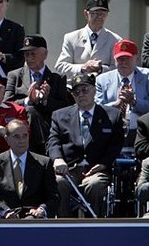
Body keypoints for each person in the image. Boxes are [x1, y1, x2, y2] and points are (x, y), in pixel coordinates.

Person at [47, 73, 124, 217]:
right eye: (76, 92)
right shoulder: (59, 115)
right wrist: (57, 159)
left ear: (94, 90)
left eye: (85, 90)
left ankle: (93, 226)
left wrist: (103, 164)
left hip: (97, 168)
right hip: (68, 169)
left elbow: (116, 144)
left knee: (94, 185)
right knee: (58, 183)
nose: (80, 94)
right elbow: (53, 140)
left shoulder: (112, 115)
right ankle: (63, 226)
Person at [0, 119, 59, 219]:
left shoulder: (44, 163)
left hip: (32, 216)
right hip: (5, 216)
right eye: (16, 137)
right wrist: (4, 212)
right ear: (7, 139)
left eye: (25, 136)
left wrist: (41, 209)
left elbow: (53, 197)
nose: (22, 141)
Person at [95, 39, 149, 146]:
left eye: (128, 58)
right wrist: (116, 104)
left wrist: (134, 102)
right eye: (120, 59)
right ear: (114, 60)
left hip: (142, 130)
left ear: (136, 58)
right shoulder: (102, 80)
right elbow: (97, 110)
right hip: (112, 130)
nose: (124, 62)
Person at [4, 34, 70, 137]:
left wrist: (45, 101)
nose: (29, 58)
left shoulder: (57, 79)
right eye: (26, 54)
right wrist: (27, 101)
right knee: (30, 110)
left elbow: (64, 107)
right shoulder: (15, 75)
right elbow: (6, 104)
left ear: (45, 54)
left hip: (47, 127)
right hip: (20, 126)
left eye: (33, 54)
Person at [54, 0, 122, 80]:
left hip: (103, 89)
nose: (100, 17)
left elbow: (119, 68)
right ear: (86, 14)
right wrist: (82, 68)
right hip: (78, 89)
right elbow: (60, 66)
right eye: (95, 13)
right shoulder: (71, 38)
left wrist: (101, 69)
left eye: (103, 14)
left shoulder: (115, 40)